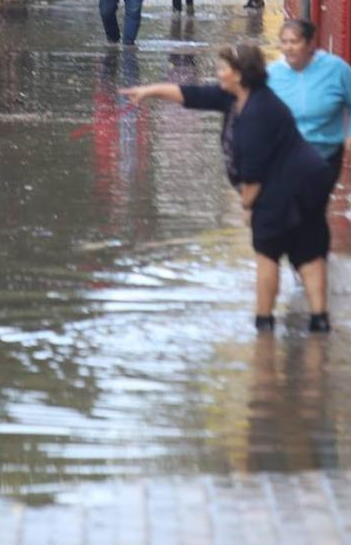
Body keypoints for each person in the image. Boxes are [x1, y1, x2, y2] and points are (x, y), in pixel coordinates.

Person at [121, 44, 334, 333]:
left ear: (240, 74)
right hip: (308, 179)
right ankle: (319, 322)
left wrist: (248, 208)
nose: (218, 72)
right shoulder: (235, 97)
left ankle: (264, 325)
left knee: (269, 252)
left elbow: (253, 176)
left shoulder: (257, 112)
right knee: (307, 252)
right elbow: (190, 94)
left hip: (288, 186)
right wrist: (148, 91)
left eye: (223, 68)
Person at [267, 19, 351, 193]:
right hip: (284, 154)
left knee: (312, 203)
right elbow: (256, 108)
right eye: (284, 42)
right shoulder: (272, 74)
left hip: (325, 154)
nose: (289, 48)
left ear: (309, 44)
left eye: (294, 42)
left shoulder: (336, 68)